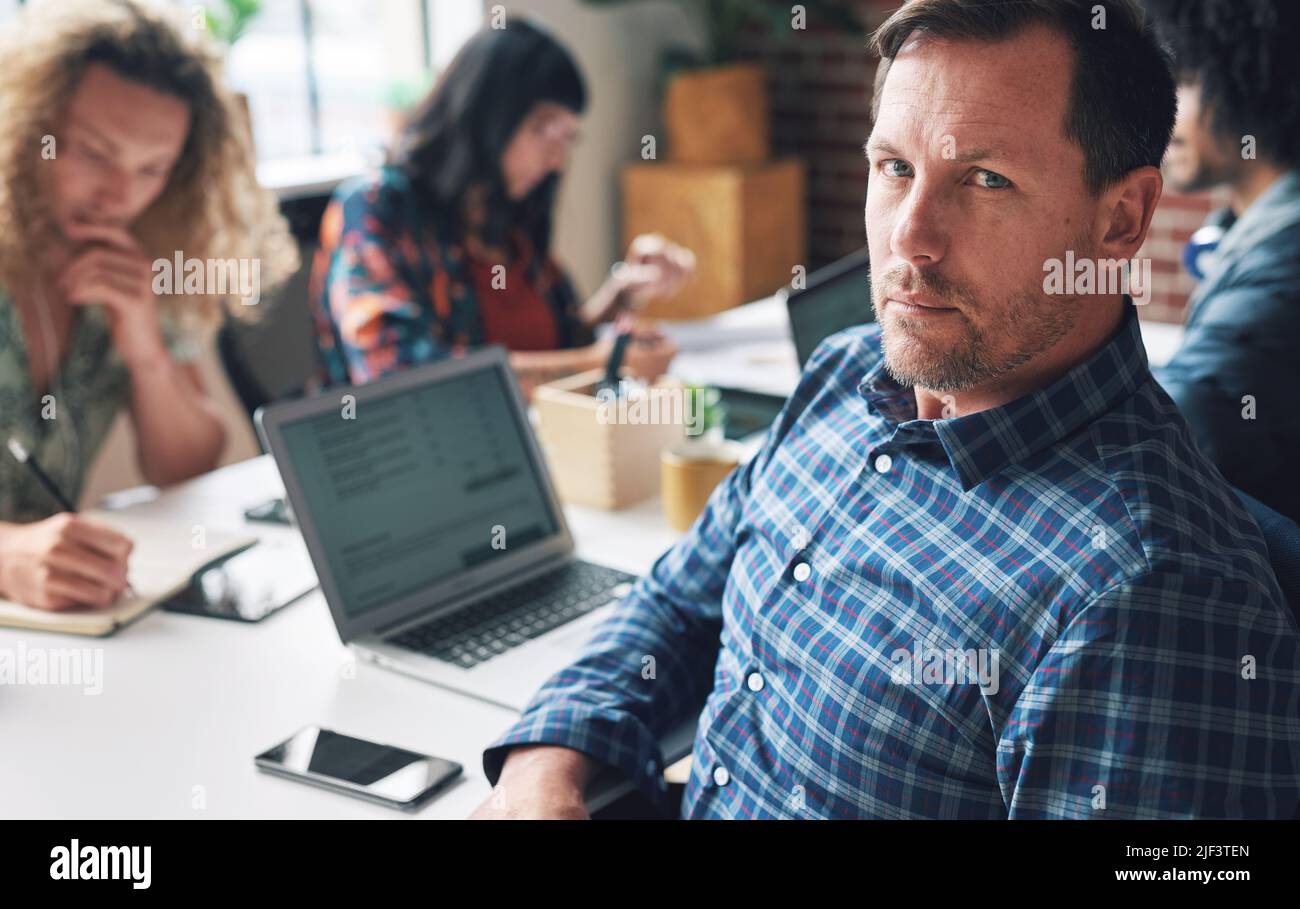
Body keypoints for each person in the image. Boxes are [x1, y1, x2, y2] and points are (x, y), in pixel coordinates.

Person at [470, 0, 1300, 819]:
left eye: (985, 179)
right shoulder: (844, 377)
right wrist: (546, 765)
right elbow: (680, 604)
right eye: (895, 168)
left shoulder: (1155, 592)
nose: (909, 238)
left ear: (1121, 219)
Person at [0, 0, 297, 611]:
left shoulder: (137, 259)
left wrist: (144, 345)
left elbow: (185, 465)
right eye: (93, 153)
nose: (119, 194)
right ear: (30, 130)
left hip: (57, 624)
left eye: (152, 169)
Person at [311, 18, 693, 398]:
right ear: (482, 114)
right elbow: (400, 375)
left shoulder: (509, 215)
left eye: (567, 138)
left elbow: (552, 343)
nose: (557, 160)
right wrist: (598, 364)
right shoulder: (376, 207)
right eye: (542, 129)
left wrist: (619, 297)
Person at [1145, 0, 1300, 522]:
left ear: (1254, 81)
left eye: (1183, 79)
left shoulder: (1287, 262)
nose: (1158, 107)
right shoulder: (1242, 230)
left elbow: (1185, 418)